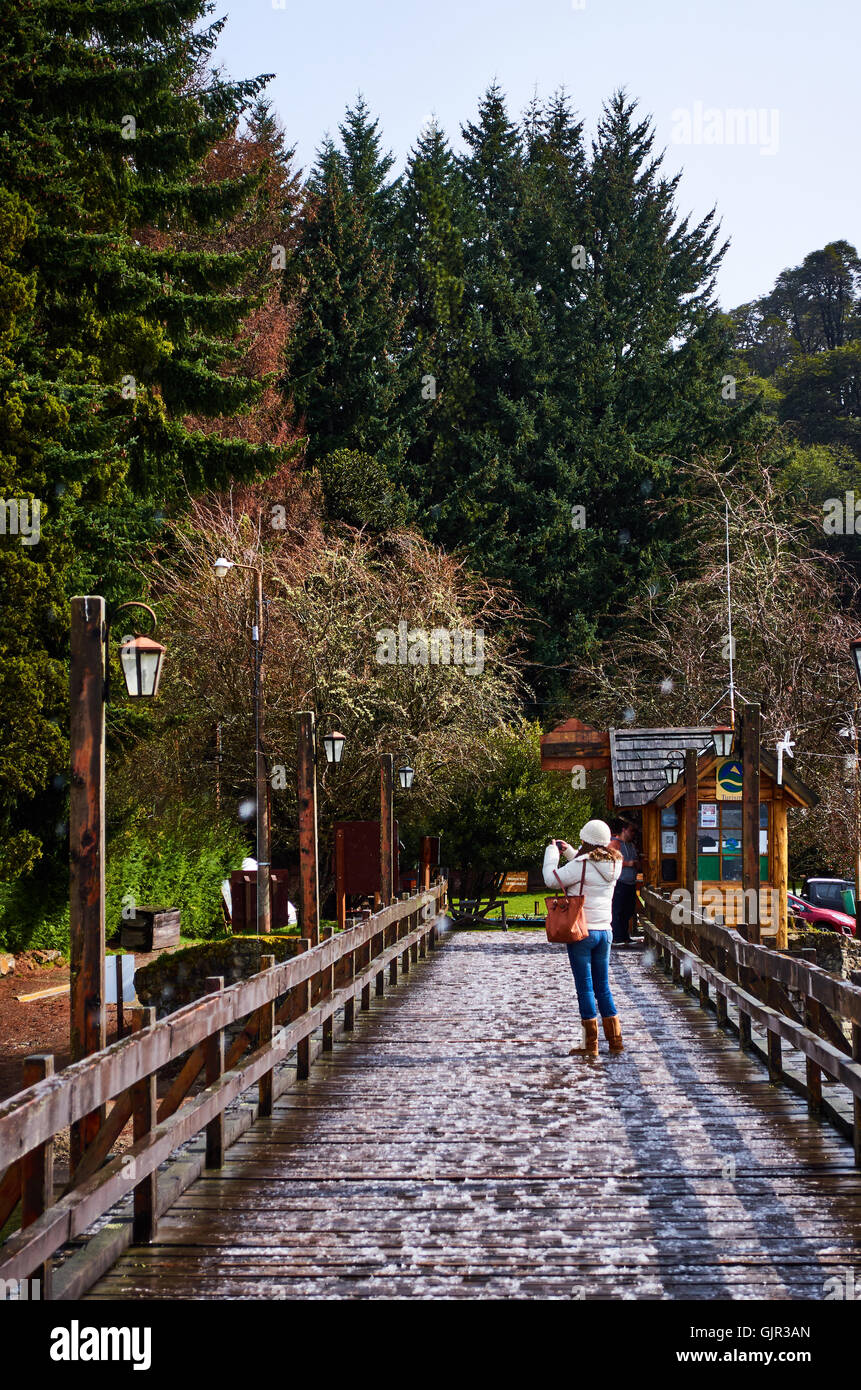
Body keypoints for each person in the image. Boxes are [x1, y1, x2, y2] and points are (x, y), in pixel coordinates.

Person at [543, 819, 624, 1058]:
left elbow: (551, 879)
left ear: (586, 841)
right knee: (603, 987)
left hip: (581, 931)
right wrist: (570, 852)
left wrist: (552, 854)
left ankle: (590, 1045)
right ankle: (615, 1041)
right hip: (605, 933)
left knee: (585, 989)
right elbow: (587, 866)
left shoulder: (583, 864)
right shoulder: (614, 863)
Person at [609, 818, 641, 944]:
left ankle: (624, 936)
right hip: (620, 882)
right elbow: (610, 861)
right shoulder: (615, 844)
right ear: (624, 830)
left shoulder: (631, 845)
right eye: (631, 831)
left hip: (631, 882)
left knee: (628, 911)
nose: (633, 834)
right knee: (617, 910)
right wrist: (629, 863)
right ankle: (616, 937)